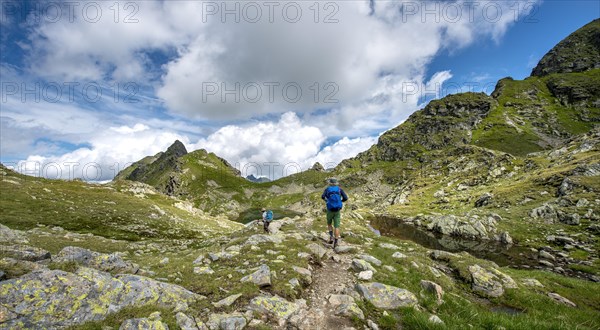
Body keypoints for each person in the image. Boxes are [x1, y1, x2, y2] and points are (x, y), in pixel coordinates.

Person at [321, 178, 348, 248]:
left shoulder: (327, 189)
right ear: (336, 183)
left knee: (329, 223)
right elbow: (346, 198)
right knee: (337, 226)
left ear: (330, 183)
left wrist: (327, 200)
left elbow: (322, 197)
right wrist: (341, 201)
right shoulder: (339, 189)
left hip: (330, 210)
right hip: (337, 210)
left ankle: (331, 237)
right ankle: (336, 242)